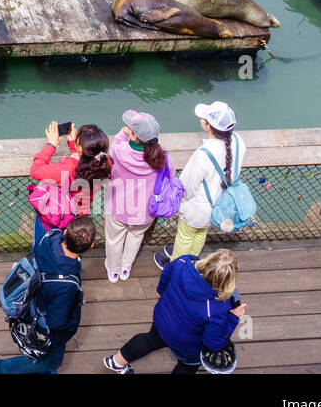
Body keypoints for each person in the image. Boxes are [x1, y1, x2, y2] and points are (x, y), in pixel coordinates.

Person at [105, 249, 245, 374]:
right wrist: (234, 318)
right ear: (228, 281)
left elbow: (165, 275)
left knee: (150, 339)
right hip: (186, 344)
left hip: (162, 319)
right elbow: (212, 343)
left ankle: (116, 362)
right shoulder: (217, 308)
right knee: (188, 366)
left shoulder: (183, 262)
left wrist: (162, 292)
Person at [0, 216, 97, 374]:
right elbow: (57, 322)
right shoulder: (67, 284)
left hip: (33, 301)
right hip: (46, 324)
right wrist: (66, 331)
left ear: (66, 232)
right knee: (52, 363)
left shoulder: (48, 239)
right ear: (91, 245)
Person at [155, 101, 244, 269]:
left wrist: (181, 201)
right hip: (219, 202)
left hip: (198, 206)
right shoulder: (239, 141)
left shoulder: (204, 154)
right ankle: (191, 259)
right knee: (201, 233)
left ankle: (176, 266)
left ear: (207, 126)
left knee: (185, 236)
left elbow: (187, 185)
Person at [104, 110, 165, 282]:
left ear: (135, 137)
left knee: (114, 239)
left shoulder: (120, 151)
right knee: (136, 237)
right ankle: (125, 268)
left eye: (131, 129)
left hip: (119, 208)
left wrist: (123, 134)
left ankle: (113, 271)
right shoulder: (163, 157)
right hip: (146, 212)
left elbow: (114, 144)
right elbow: (170, 175)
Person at [29, 121, 82, 246]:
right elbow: (82, 159)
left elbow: (35, 171)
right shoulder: (97, 164)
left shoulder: (66, 169)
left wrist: (51, 145)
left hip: (53, 216)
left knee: (44, 245)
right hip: (73, 214)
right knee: (65, 245)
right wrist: (74, 145)